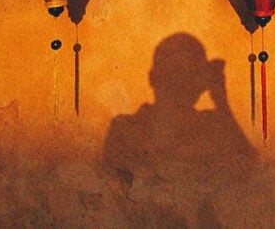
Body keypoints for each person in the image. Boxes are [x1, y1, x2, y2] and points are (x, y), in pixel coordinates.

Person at [102, 33, 257, 226]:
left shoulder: (210, 125)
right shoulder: (125, 128)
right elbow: (117, 193)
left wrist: (221, 100)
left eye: (189, 73)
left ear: (201, 81)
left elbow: (249, 167)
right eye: (173, 72)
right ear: (154, 78)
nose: (180, 82)